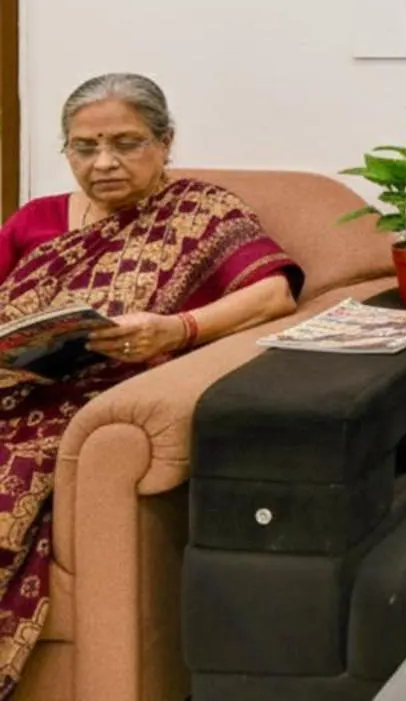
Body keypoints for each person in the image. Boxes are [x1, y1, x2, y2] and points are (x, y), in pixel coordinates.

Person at [0, 73, 300, 697]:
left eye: (126, 143)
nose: (103, 163)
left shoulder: (202, 212)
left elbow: (274, 294)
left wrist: (176, 329)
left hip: (94, 406)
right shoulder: (35, 220)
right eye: (84, 147)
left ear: (165, 142)